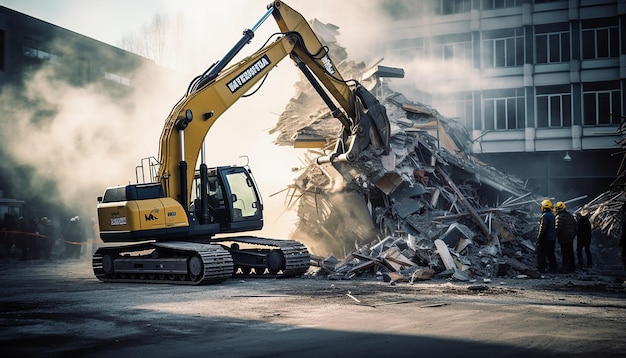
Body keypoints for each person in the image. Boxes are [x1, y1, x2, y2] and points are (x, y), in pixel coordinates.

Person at [554, 201, 577, 273]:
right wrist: (573, 235)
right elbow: (575, 227)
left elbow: (558, 228)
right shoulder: (570, 216)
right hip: (570, 238)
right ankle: (572, 267)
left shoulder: (559, 217)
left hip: (563, 238)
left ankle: (565, 267)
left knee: (564, 253)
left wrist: (557, 235)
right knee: (571, 252)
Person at [536, 199, 558, 273]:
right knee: (551, 254)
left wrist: (539, 238)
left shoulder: (545, 216)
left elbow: (542, 228)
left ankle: (541, 269)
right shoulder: (552, 215)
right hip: (552, 238)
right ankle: (553, 268)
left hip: (545, 239)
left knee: (541, 254)